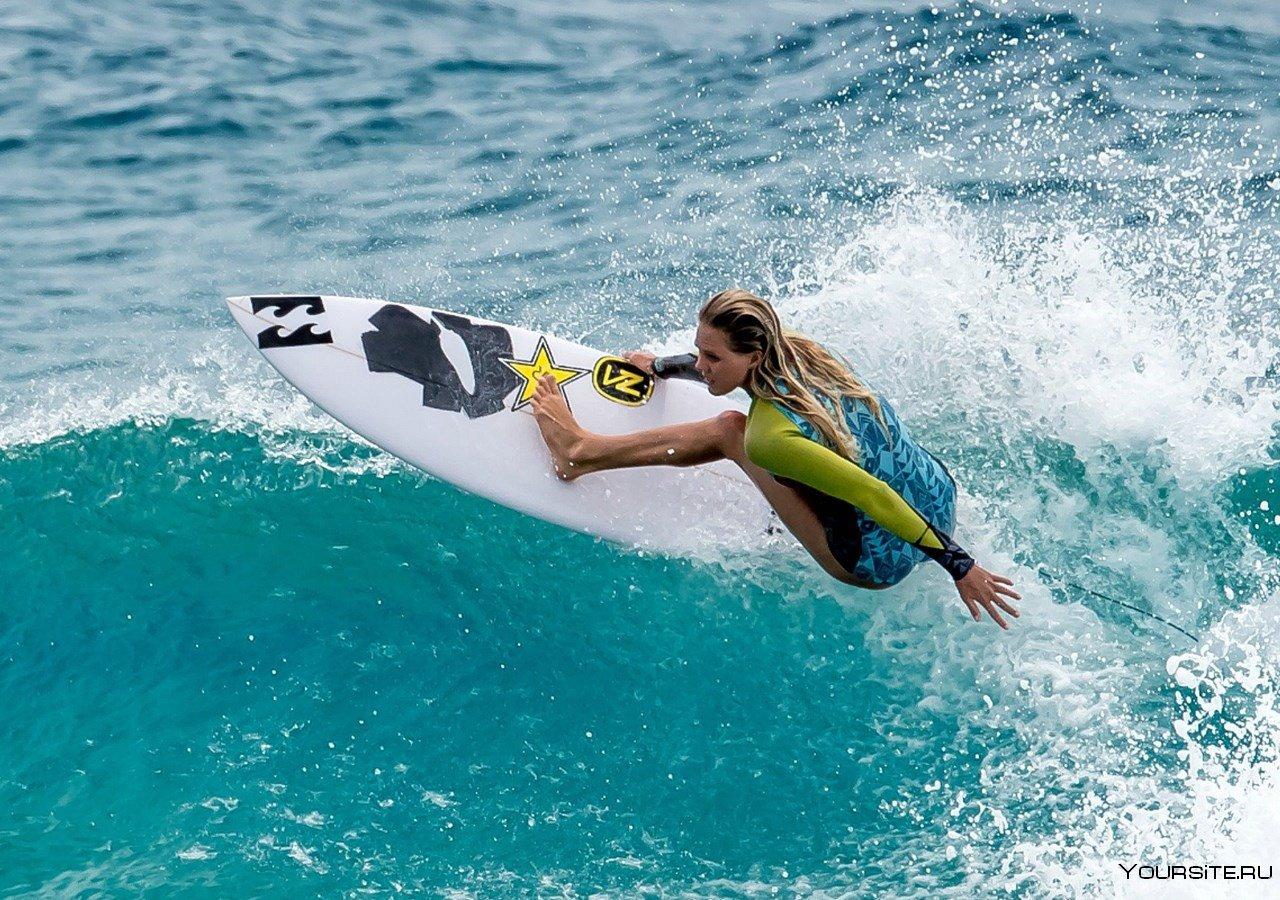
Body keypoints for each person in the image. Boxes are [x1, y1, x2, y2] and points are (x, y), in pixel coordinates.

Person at [529, 288, 1021, 629]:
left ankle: (580, 453)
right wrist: (659, 366)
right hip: (939, 498)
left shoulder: (769, 437)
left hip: (878, 560)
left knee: (730, 430)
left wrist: (960, 566)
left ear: (755, 355)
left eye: (712, 358)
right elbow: (728, 370)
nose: (701, 365)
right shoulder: (806, 353)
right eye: (699, 353)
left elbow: (872, 494)